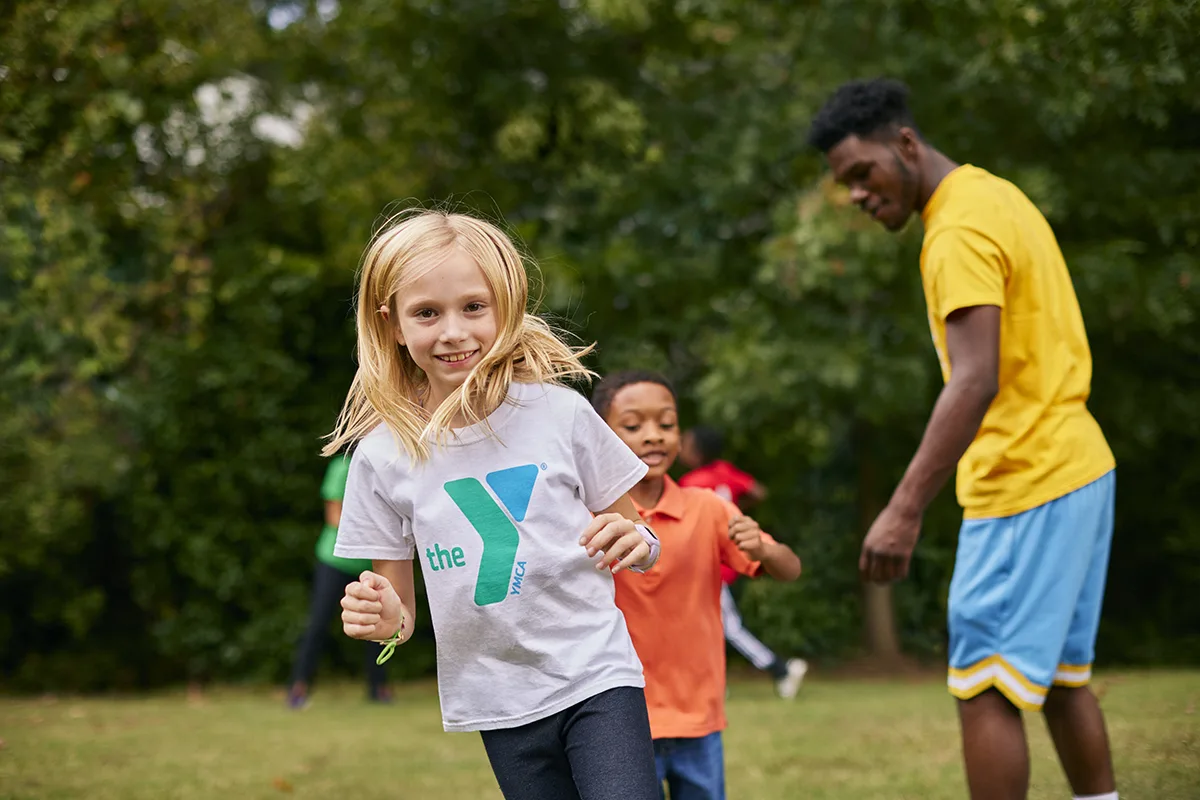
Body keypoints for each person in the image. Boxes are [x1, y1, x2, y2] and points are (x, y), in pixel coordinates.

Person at [807, 78, 1118, 800]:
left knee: (984, 688)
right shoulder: (995, 194)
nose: (857, 193)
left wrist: (904, 507)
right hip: (1079, 465)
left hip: (1026, 478)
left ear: (906, 144)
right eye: (845, 183)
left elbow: (974, 378)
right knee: (1063, 681)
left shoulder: (956, 232)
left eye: (863, 173)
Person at [323, 210, 664, 800]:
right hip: (496, 696)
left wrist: (640, 543)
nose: (453, 331)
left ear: (504, 307)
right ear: (394, 325)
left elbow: (641, 537)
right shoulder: (381, 457)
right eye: (427, 312)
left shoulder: (561, 415)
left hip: (596, 673)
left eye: (473, 307)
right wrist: (385, 621)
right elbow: (400, 613)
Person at [593, 370, 803, 800]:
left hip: (699, 717)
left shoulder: (708, 509)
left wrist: (764, 551)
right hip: (618, 720)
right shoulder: (589, 514)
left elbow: (790, 569)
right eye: (633, 426)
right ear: (599, 435)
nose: (653, 436)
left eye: (666, 424)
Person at [678, 426, 807, 699]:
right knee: (710, 625)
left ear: (699, 450)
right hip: (733, 560)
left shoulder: (691, 483)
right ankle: (713, 682)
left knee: (728, 627)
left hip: (709, 565)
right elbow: (760, 491)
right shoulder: (727, 472)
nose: (680, 448)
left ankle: (780, 668)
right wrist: (737, 510)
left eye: (686, 444)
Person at [285, 452, 391, 708]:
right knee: (318, 623)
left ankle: (379, 689)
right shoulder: (341, 467)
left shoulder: (386, 467)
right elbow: (334, 517)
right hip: (334, 561)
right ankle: (298, 688)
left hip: (370, 564)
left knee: (378, 624)